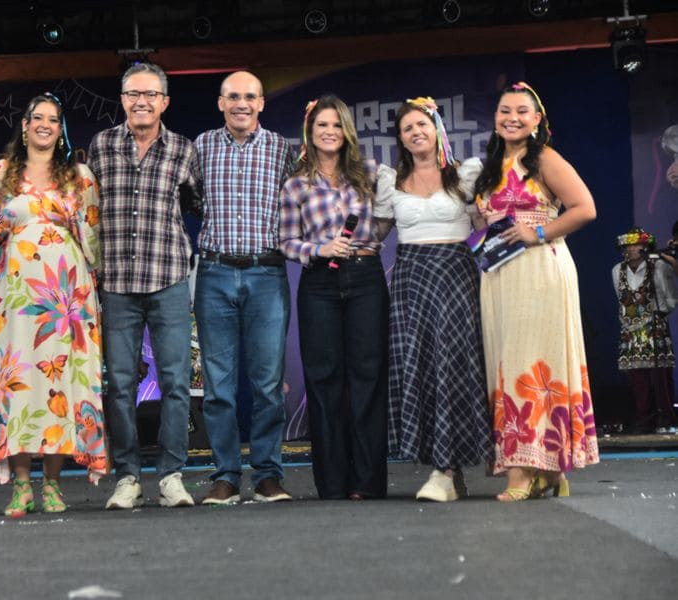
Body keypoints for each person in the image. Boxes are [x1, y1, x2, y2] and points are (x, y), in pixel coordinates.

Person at [0, 94, 107, 517]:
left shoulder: (79, 176)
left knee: (62, 385)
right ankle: (20, 486)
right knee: (17, 383)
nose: (45, 125)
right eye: (38, 118)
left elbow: (91, 239)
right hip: (14, 295)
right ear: (25, 124)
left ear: (61, 128)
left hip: (67, 298)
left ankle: (51, 483)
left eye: (53, 119)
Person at [473, 82, 599, 501]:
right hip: (499, 278)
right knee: (507, 363)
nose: (511, 117)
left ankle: (523, 472)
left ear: (537, 120)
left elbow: (585, 207)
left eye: (521, 111)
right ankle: (550, 469)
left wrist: (538, 231)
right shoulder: (492, 164)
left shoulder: (544, 158)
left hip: (539, 270)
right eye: (504, 110)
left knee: (529, 367)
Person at [87, 63, 201, 509]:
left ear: (165, 102)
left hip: (169, 278)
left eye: (151, 95)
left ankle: (171, 476)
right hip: (116, 281)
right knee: (119, 384)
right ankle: (127, 476)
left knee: (175, 381)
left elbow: (197, 204)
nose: (142, 102)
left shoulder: (183, 150)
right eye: (134, 93)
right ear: (122, 99)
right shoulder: (101, 146)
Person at [375, 97, 492, 502]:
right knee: (421, 367)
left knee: (454, 366)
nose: (416, 132)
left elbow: (483, 226)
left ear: (437, 129)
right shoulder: (390, 182)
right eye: (407, 128)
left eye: (422, 124)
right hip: (411, 278)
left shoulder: (466, 174)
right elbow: (375, 236)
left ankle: (447, 469)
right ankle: (444, 469)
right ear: (401, 139)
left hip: (456, 274)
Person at [279, 95, 389, 500]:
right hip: (319, 284)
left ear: (347, 131)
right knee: (324, 383)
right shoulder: (296, 185)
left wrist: (368, 243)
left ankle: (368, 482)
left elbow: (394, 211)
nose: (329, 131)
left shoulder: (372, 173)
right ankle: (332, 483)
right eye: (321, 125)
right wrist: (317, 250)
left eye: (336, 124)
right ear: (310, 132)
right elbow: (286, 240)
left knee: (367, 379)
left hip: (365, 280)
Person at [194, 71, 296, 505]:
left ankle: (269, 474)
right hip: (214, 274)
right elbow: (191, 198)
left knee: (268, 383)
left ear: (261, 103)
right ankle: (226, 475)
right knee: (218, 385)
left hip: (266, 274)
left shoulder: (281, 149)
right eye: (233, 96)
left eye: (249, 97)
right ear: (220, 103)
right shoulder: (200, 147)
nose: (241, 103)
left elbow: (300, 203)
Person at [612, 227, 678, 433]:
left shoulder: (658, 266)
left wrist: (658, 313)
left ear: (645, 247)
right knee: (636, 376)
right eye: (628, 245)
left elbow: (670, 296)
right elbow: (621, 297)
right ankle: (643, 417)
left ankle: (665, 417)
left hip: (654, 324)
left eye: (636, 245)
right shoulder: (617, 270)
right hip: (630, 329)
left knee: (660, 374)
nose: (631, 249)